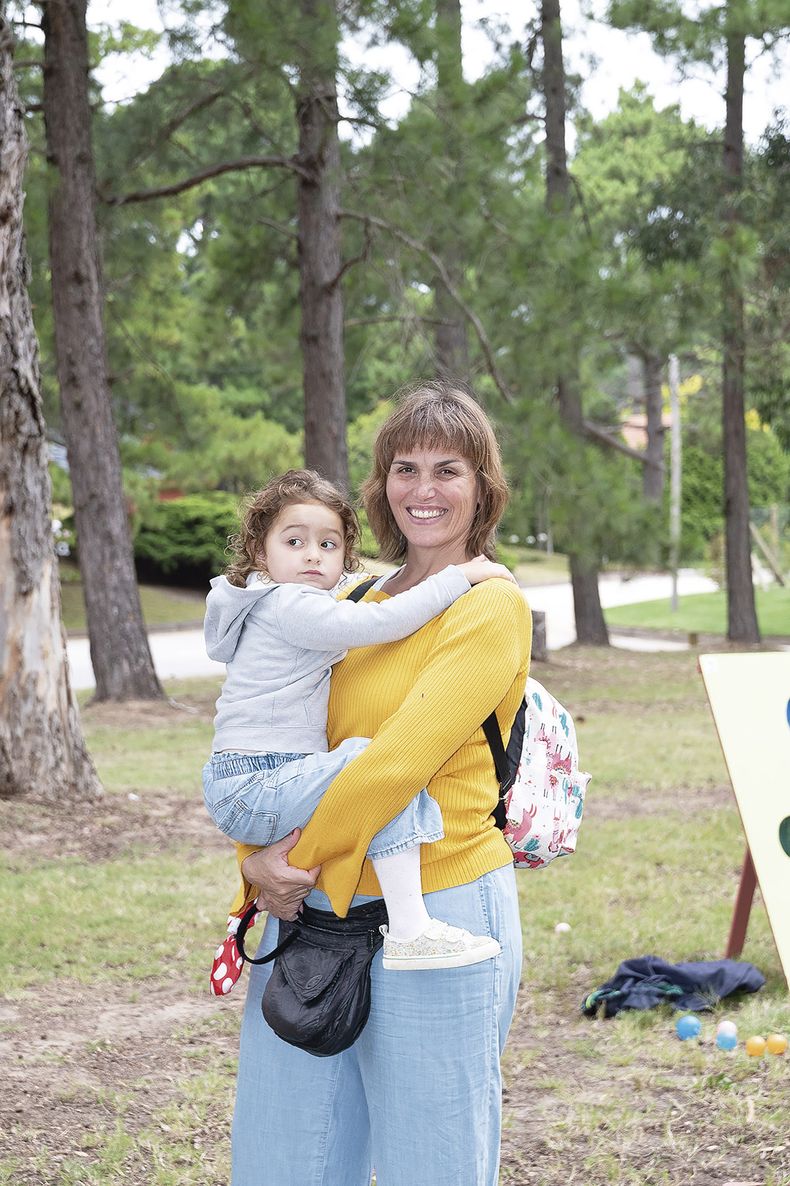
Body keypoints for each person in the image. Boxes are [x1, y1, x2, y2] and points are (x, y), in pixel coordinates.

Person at [230, 382, 531, 1186]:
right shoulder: (349, 600)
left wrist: (285, 868)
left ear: (482, 487)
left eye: (448, 470)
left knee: (429, 1168)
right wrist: (253, 866)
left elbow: (396, 765)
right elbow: (269, 744)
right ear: (382, 482)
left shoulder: (489, 606)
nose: (424, 490)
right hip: (312, 914)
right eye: (406, 468)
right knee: (283, 1162)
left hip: (436, 911)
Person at [203, 468, 513, 981]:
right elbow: (378, 621)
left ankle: (409, 925)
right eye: (294, 542)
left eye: (328, 545)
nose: (312, 555)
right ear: (260, 552)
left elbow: (359, 595)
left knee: (370, 764)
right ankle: (411, 929)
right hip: (259, 779)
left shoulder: (282, 600)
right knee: (374, 762)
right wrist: (458, 577)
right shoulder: (290, 604)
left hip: (253, 779)